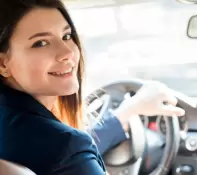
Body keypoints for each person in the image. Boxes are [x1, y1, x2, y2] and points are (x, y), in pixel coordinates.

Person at [0, 0, 185, 174]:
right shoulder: (65, 146)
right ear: (2, 64)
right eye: (41, 43)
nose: (67, 52)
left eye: (66, 36)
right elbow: (65, 149)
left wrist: (126, 113)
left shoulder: (34, 134)